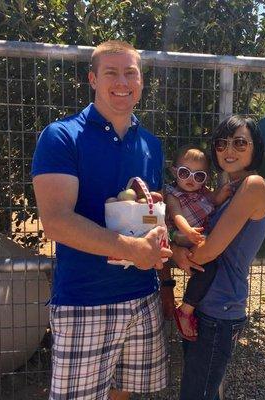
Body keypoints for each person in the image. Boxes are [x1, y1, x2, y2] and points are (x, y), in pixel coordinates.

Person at [31, 40, 173, 400]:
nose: (122, 81)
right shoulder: (62, 137)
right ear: (92, 79)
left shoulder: (151, 145)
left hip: (143, 297)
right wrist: (133, 249)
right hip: (85, 301)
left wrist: (155, 222)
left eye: (131, 73)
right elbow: (57, 222)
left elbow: (143, 215)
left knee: (124, 394)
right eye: (111, 72)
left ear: (141, 82)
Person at [171, 115, 265, 400]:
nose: (230, 150)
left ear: (255, 148)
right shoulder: (227, 192)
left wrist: (179, 253)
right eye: (222, 143)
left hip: (221, 310)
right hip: (205, 305)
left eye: (240, 143)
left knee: (196, 394)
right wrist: (178, 251)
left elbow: (210, 249)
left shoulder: (254, 186)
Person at [164, 145, 232, 340]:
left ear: (205, 178)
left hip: (198, 238)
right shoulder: (173, 194)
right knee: (208, 267)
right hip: (182, 236)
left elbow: (216, 200)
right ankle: (185, 311)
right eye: (185, 173)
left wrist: (226, 191)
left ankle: (189, 307)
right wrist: (188, 232)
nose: (191, 180)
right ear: (174, 171)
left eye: (199, 176)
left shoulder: (204, 192)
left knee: (210, 268)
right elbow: (177, 215)